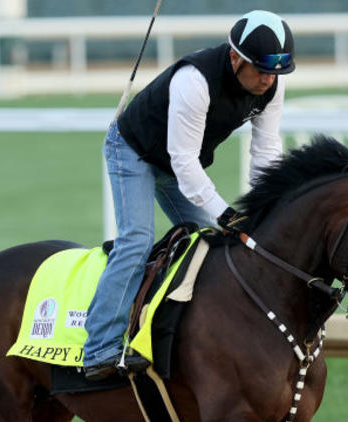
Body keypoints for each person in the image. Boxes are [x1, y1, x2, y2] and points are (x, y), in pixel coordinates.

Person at [82, 10, 296, 381]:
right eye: (260, 70)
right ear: (234, 58)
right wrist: (225, 212)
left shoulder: (272, 86)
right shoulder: (194, 81)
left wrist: (267, 209)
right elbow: (184, 162)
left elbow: (265, 152)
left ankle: (182, 333)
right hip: (133, 151)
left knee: (207, 243)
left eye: (274, 72)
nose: (267, 79)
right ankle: (99, 348)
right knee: (137, 239)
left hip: (176, 163)